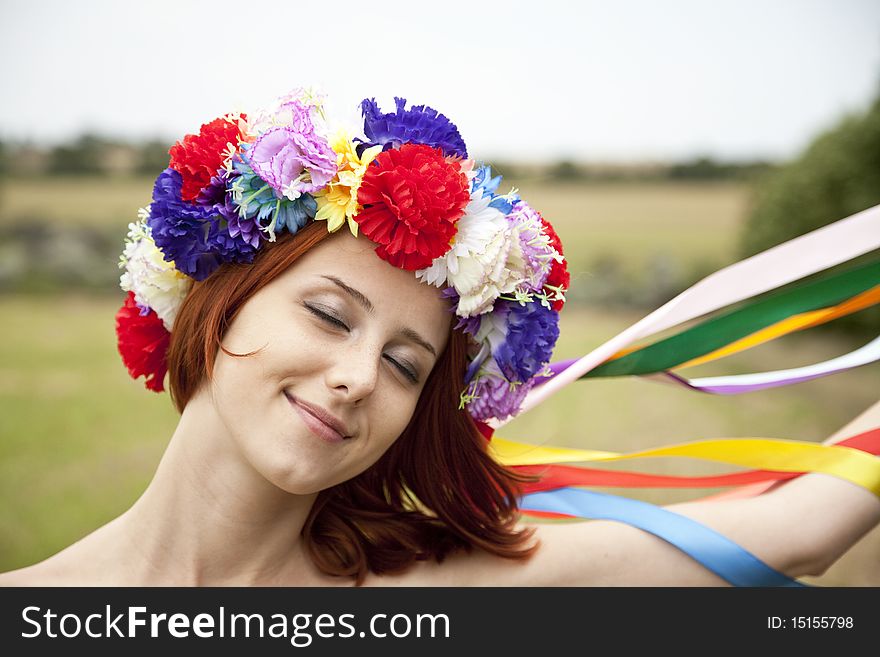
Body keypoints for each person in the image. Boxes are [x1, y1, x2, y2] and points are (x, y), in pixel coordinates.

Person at [1, 91, 877, 586]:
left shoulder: (437, 591)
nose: (355, 378)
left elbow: (797, 529)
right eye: (330, 314)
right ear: (221, 301)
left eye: (404, 364)